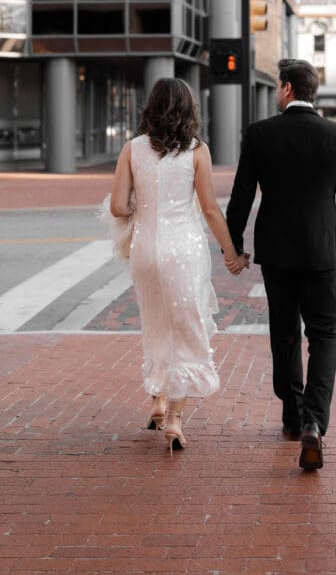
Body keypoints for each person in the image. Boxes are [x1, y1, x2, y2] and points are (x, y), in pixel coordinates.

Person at [226, 58, 336, 471]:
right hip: (323, 250)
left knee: (284, 331)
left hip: (277, 251)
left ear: (285, 89)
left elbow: (241, 197)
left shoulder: (260, 134)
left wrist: (235, 246)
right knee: (324, 335)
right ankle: (314, 422)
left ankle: (291, 414)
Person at [110, 77, 249, 455]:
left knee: (155, 322)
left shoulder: (132, 149)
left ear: (151, 108)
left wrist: (146, 209)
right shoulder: (196, 150)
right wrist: (231, 252)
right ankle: (174, 419)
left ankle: (157, 399)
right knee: (187, 327)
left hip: (145, 251)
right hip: (183, 251)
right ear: (189, 109)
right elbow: (208, 209)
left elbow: (118, 207)